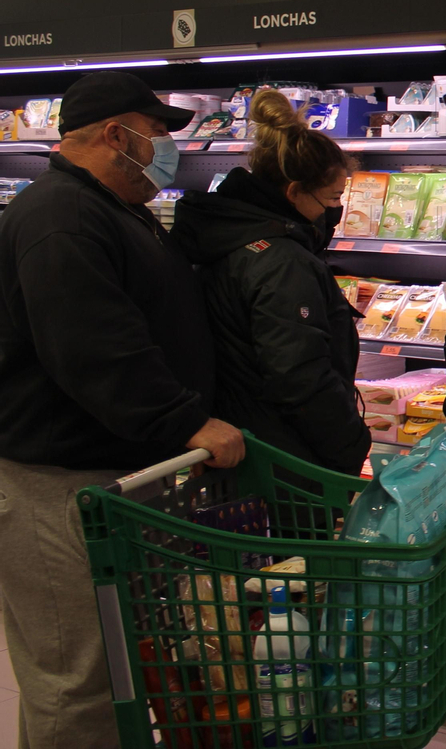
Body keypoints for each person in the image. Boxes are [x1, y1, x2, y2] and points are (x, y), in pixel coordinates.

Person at [0, 71, 245, 749]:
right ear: (117, 134)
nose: (166, 147)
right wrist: (186, 422)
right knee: (77, 680)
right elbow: (94, 348)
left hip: (106, 482)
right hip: (57, 488)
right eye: (159, 131)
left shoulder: (109, 209)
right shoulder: (60, 217)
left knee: (104, 674)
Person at [172, 89, 371, 475]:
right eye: (331, 199)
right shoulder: (282, 262)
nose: (335, 211)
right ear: (294, 192)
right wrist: (350, 445)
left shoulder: (226, 236)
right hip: (287, 458)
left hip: (243, 443)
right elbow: (299, 377)